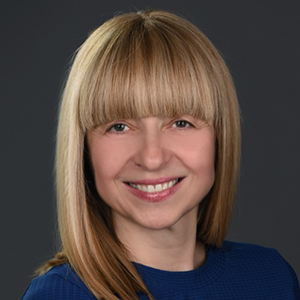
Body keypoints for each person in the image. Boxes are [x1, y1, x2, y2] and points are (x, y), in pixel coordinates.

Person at [22, 9, 299, 300]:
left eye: (181, 123)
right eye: (119, 126)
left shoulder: (271, 276)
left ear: (220, 137)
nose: (152, 158)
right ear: (84, 149)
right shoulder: (60, 294)